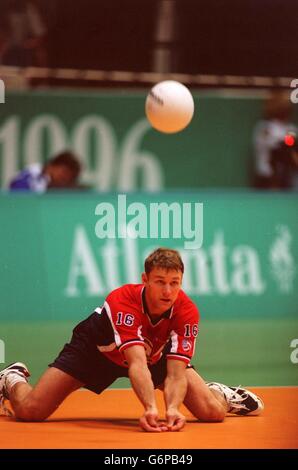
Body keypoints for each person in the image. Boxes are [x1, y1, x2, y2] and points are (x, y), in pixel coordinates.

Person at [0, 248, 264, 432]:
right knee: (30, 411)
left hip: (155, 356)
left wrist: (172, 409)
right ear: (145, 280)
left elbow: (175, 373)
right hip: (95, 350)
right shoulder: (122, 301)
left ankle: (220, 393)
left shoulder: (186, 311)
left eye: (175, 282)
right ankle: (11, 378)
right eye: (160, 281)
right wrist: (151, 408)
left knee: (212, 413)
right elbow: (136, 364)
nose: (168, 290)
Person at [252, 90, 298, 190]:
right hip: (266, 177)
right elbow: (275, 147)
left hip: (286, 179)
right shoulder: (265, 128)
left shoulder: (291, 128)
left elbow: (292, 146)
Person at [9, 151, 81, 192]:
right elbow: (16, 191)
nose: (64, 178)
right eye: (64, 172)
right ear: (52, 166)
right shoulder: (31, 175)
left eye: (68, 178)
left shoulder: (52, 184)